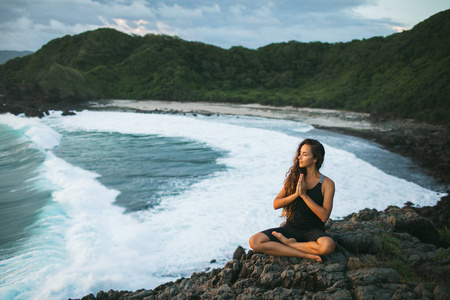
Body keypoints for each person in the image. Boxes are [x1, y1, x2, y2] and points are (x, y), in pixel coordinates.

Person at [249, 139, 335, 262]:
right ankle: (306, 254)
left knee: (328, 246)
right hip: (290, 229)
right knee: (255, 241)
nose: (299, 157)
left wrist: (304, 195)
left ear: (315, 159)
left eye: (305, 154)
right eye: (300, 153)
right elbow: (276, 204)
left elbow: (324, 216)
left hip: (313, 231)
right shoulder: (294, 178)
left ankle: (290, 244)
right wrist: (296, 194)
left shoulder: (327, 183)